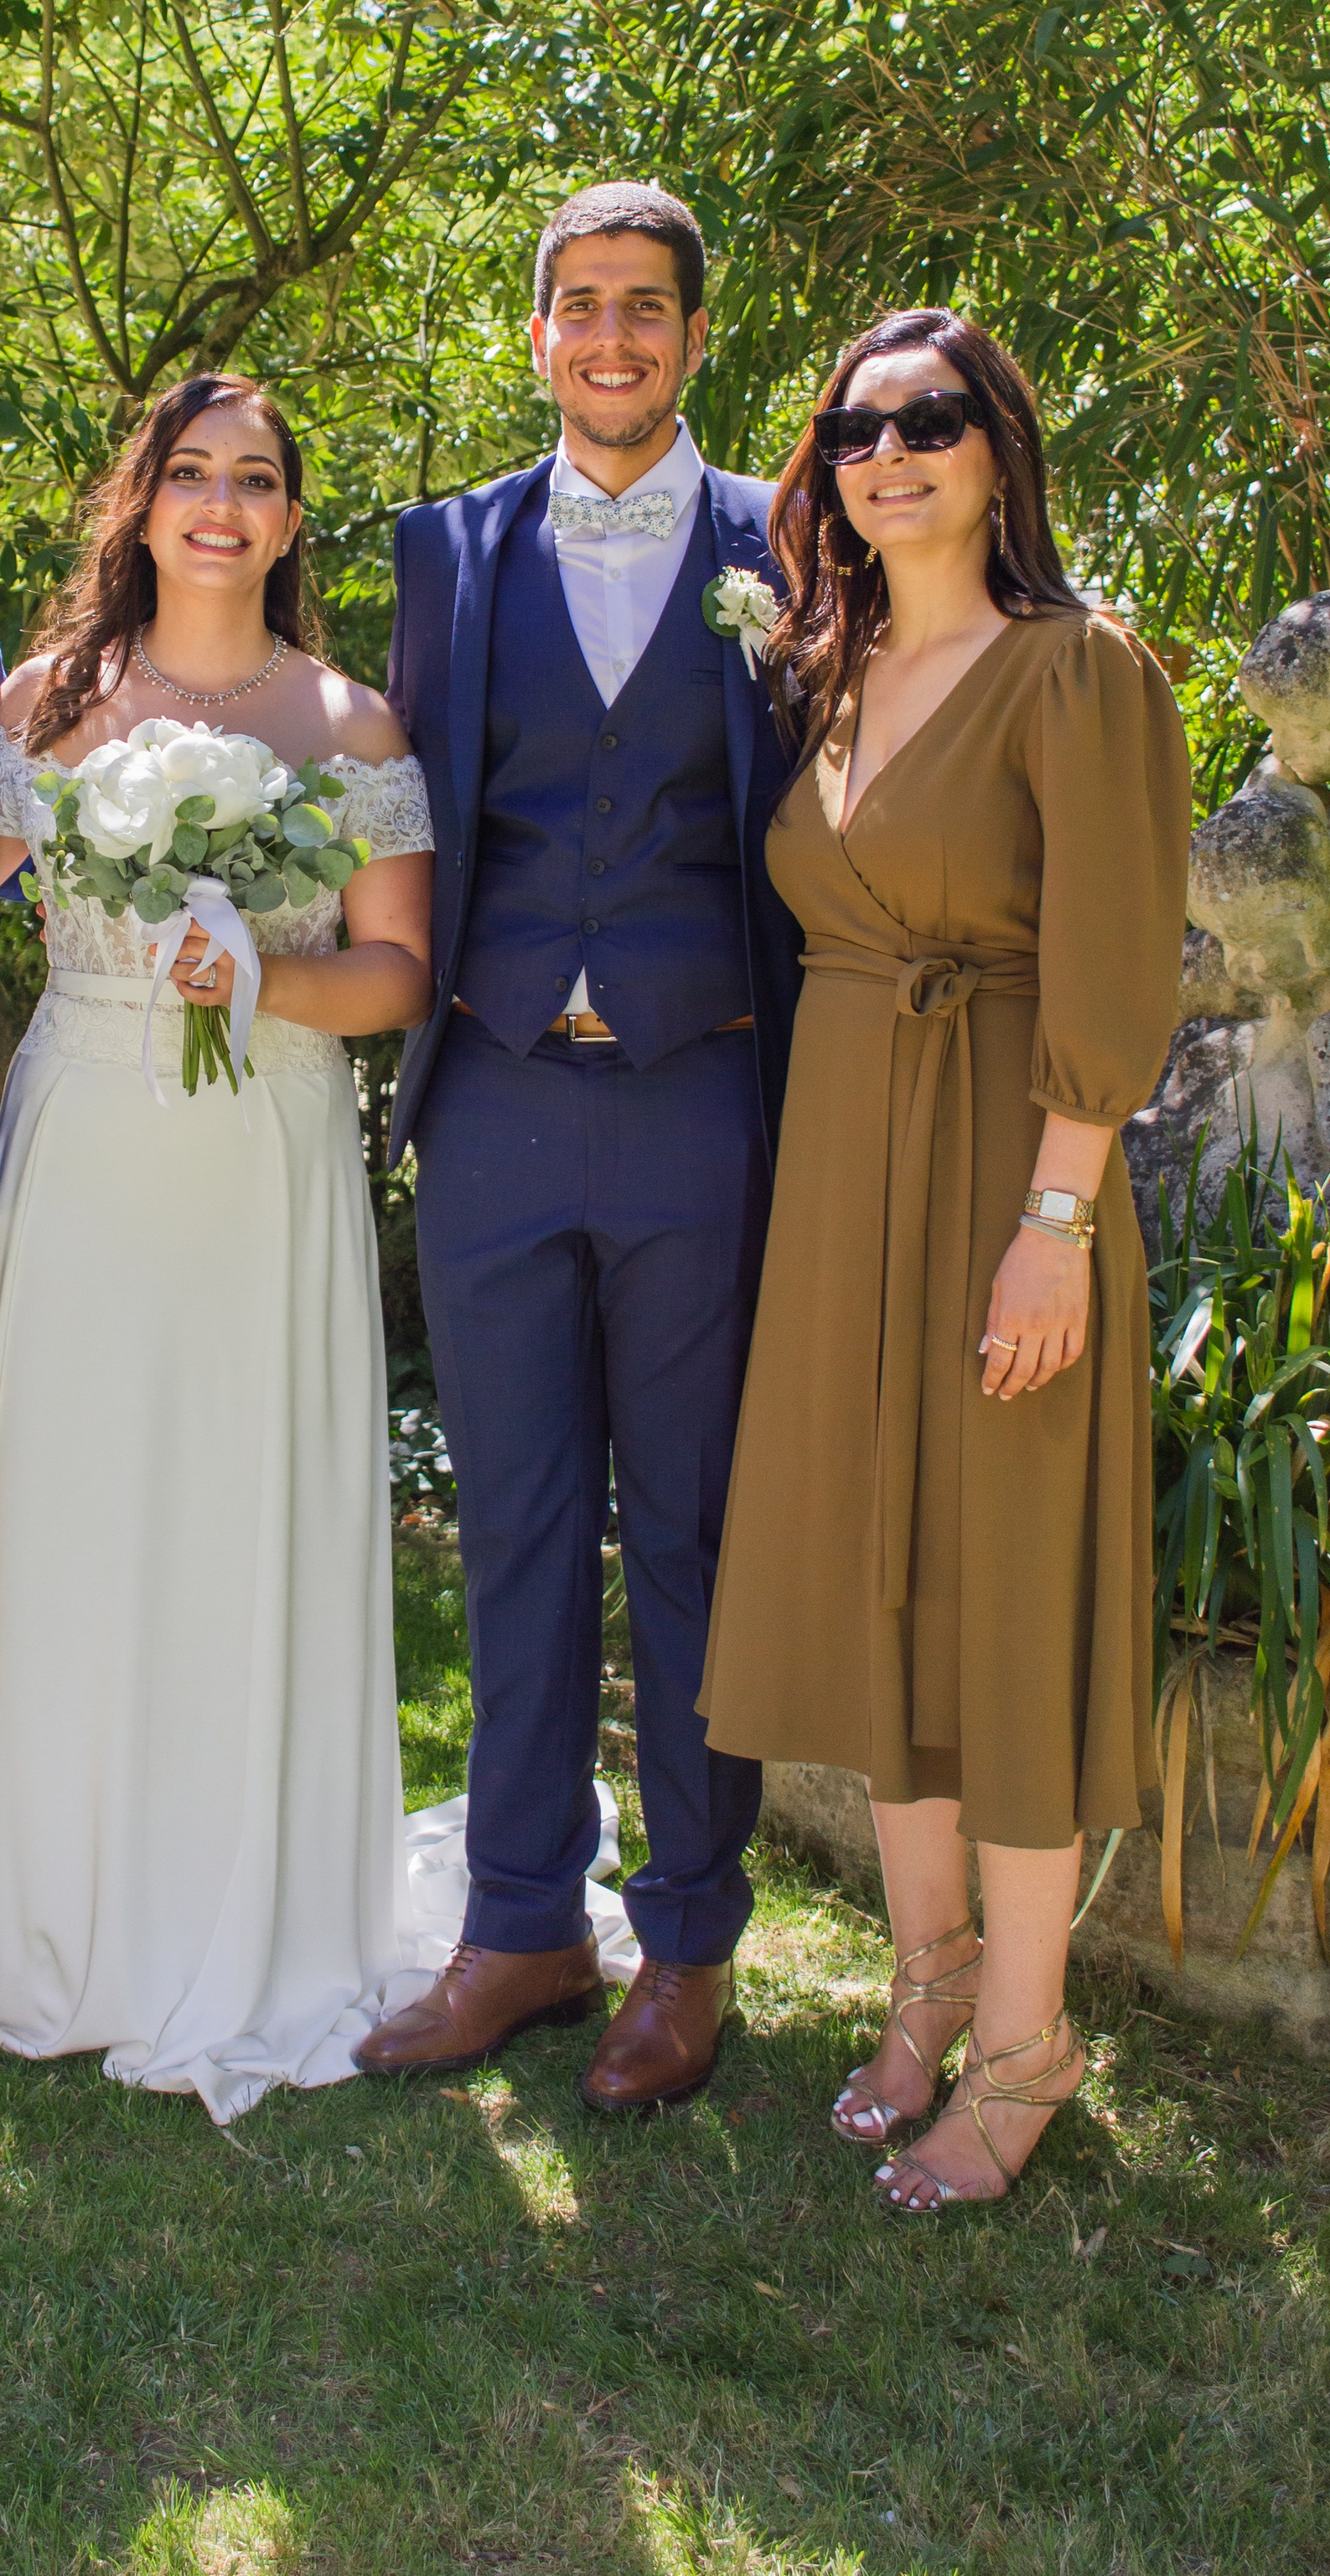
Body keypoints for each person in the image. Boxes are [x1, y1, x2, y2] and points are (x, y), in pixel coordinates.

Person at [701, 308, 1189, 2211]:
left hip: (1007, 1162)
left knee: (998, 1597)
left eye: (929, 421)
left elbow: (1117, 965)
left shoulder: (1076, 672)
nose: (886, 454)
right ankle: (923, 1988)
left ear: (999, 451)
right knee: (873, 1581)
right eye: (852, 429)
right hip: (842, 1173)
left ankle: (1025, 2044)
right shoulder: (822, 672)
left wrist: (1052, 1228)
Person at [0, 372, 446, 2123]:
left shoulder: (351, 725)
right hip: (83, 1143)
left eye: (256, 479)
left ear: (294, 519)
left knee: (246, 1511)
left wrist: (262, 977)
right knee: (78, 1511)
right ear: (138, 504)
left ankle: (257, 1922)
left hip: (269, 1149)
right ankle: (62, 1918)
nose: (220, 504)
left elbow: (393, 977)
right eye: (189, 474)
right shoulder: (41, 701)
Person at [354, 181, 805, 2116]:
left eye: (645, 309)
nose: (609, 338)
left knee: (691, 1531)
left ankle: (688, 1941)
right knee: (518, 1525)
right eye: (577, 306)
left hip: (704, 1098)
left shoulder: (786, 543)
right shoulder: (443, 552)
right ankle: (522, 1920)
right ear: (534, 335)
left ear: (692, 339)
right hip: (495, 1104)